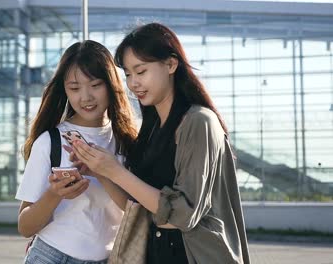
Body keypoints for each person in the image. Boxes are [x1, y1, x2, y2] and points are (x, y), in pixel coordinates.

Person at [71, 23, 251, 263]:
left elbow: (183, 214)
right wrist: (102, 172)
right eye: (128, 74)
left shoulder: (198, 122)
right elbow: (139, 208)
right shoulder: (151, 129)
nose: (133, 83)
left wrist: (116, 170)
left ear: (171, 64)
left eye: (141, 71)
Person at [16, 40, 137, 264]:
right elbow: (25, 226)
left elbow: (135, 213)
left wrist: (103, 172)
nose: (86, 97)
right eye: (74, 88)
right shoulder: (49, 141)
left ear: (111, 84)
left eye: (95, 85)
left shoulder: (127, 142)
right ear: (65, 90)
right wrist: (55, 193)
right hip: (50, 256)